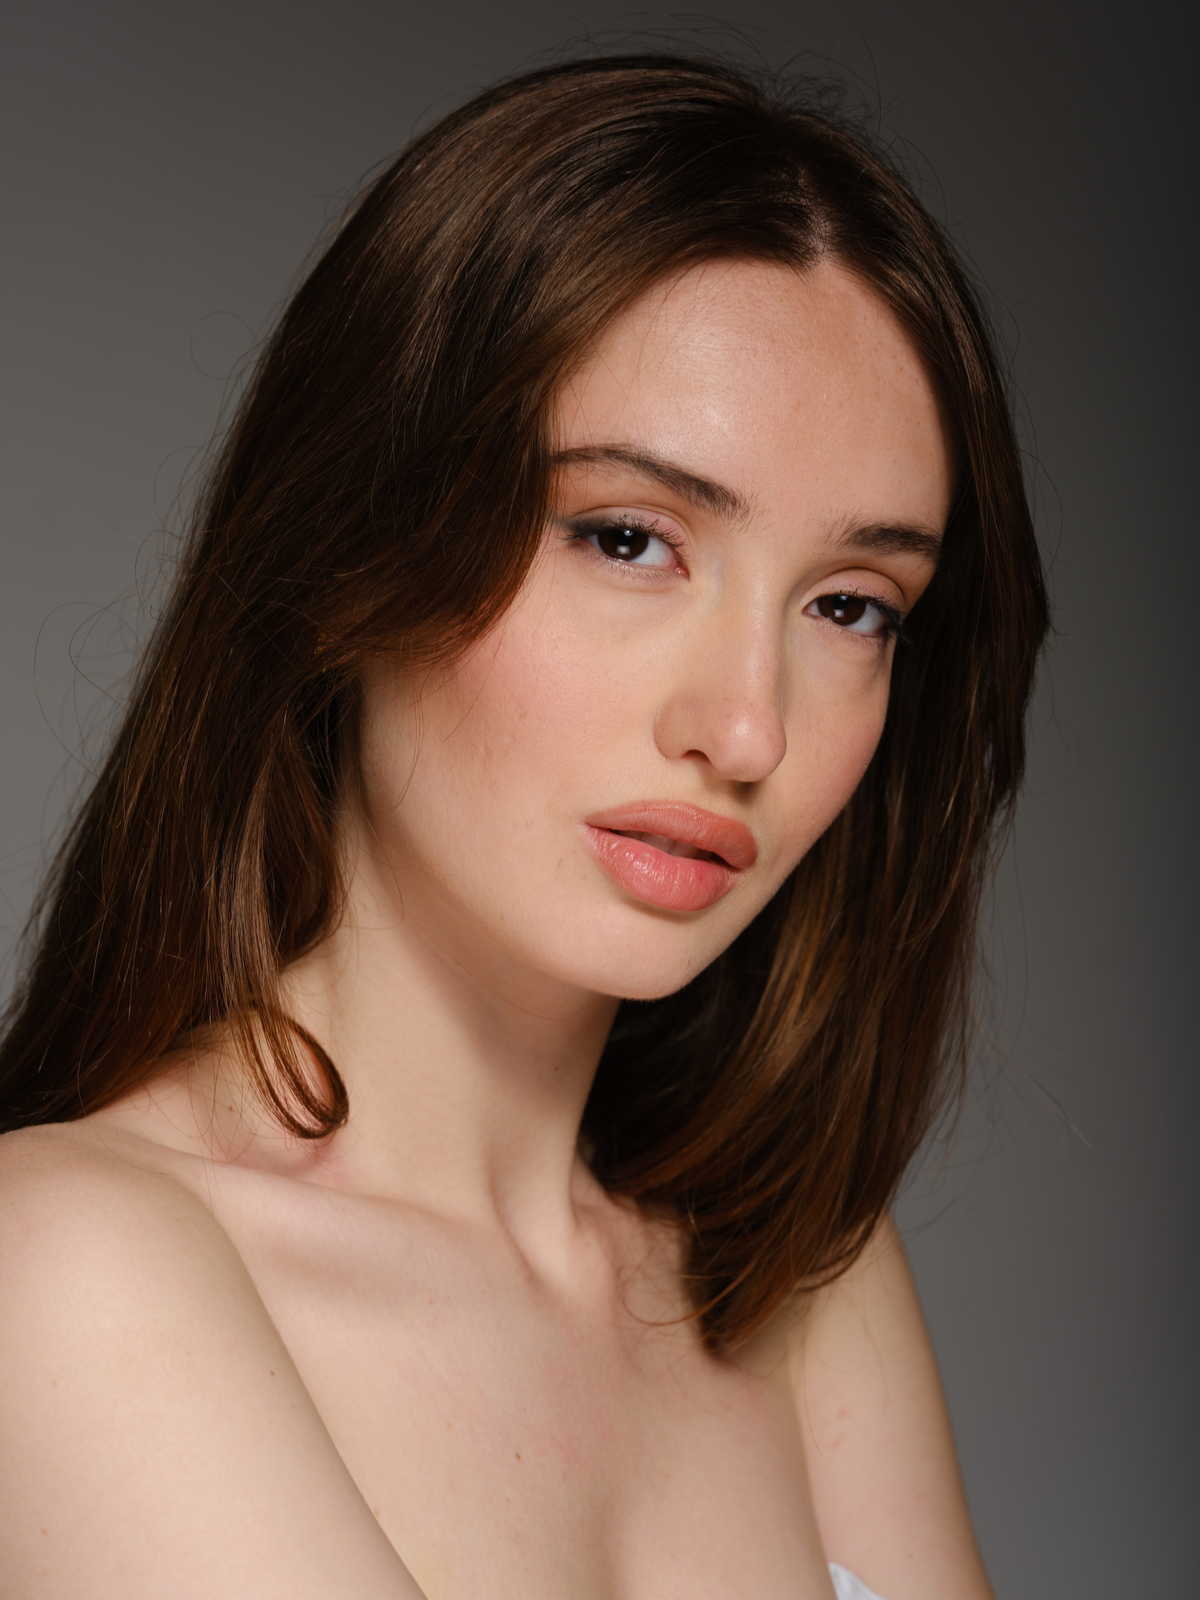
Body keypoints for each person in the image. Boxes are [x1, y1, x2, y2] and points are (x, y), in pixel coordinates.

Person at [0, 49, 1047, 1600]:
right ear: (357, 542)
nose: (746, 729)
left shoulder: (800, 1280)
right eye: (628, 538)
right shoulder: (58, 1266)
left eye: (850, 605)